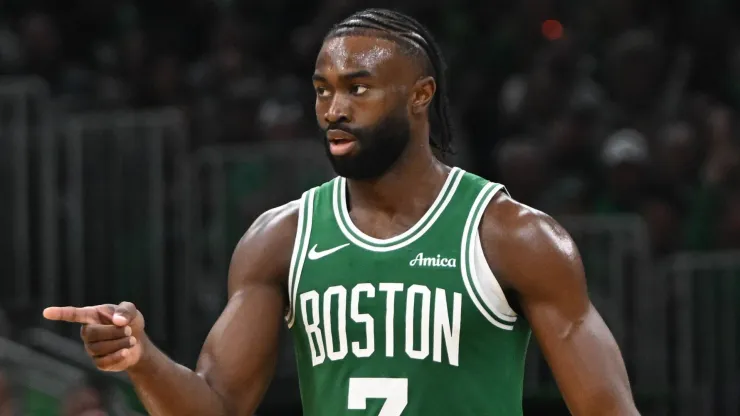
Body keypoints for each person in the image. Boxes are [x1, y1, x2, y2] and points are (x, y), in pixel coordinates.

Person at [43, 8, 639, 416]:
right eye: (323, 88)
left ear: (420, 95)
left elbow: (608, 408)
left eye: (359, 87)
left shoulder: (513, 235)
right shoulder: (280, 238)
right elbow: (218, 405)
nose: (333, 108)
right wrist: (142, 360)